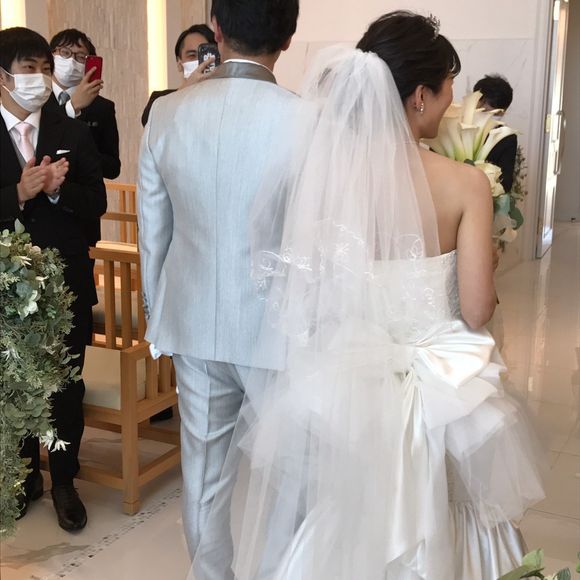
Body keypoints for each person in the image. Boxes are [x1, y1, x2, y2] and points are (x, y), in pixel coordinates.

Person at [191, 11, 546, 580]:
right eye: (449, 88)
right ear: (420, 96)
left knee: (350, 515)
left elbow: (315, 293)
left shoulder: (329, 183)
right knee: (447, 512)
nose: (453, 103)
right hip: (440, 390)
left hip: (353, 383)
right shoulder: (466, 184)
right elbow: (477, 309)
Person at [137, 0, 299, 577]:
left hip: (195, 321)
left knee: (204, 476)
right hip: (279, 328)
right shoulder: (308, 120)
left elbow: (153, 232)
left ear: (217, 29)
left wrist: (160, 315)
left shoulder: (166, 114)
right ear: (289, 35)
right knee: (291, 476)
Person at [0, 27, 106, 531]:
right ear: (3, 77)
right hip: (7, 288)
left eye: (46, 68)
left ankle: (64, 480)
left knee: (65, 387)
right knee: (15, 384)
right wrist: (18, 194)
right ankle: (26, 477)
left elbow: (97, 203)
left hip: (65, 285)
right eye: (29, 69)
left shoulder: (71, 132)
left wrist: (59, 193)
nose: (40, 79)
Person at [43, 28, 120, 250]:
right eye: (65, 53)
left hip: (82, 215)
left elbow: (113, 167)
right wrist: (71, 108)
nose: (71, 61)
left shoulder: (102, 108)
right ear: (52, 56)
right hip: (41, 214)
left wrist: (84, 153)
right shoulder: (37, 100)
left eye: (80, 56)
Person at [141, 24, 216, 127]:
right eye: (192, 55)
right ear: (179, 63)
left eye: (205, 55)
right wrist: (185, 90)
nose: (199, 62)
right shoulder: (161, 99)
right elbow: (148, 121)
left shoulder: (224, 98)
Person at [474, 74, 518, 191]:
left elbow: (505, 183)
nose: (486, 117)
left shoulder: (507, 138)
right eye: (481, 110)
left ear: (503, 111)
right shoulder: (458, 125)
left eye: (494, 114)